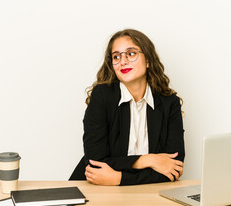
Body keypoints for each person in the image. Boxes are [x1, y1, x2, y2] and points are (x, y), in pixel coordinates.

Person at [69, 29, 185, 185]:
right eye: (116, 56)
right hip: (94, 189)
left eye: (131, 54)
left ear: (148, 60)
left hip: (147, 196)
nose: (122, 61)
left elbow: (173, 168)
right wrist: (147, 160)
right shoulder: (102, 96)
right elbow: (96, 162)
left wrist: (118, 178)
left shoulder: (169, 103)